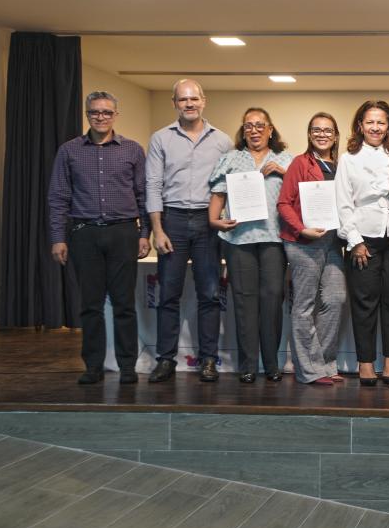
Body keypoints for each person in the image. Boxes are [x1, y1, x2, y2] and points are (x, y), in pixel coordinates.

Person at [48, 91, 151, 384]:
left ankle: (127, 366)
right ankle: (93, 366)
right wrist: (58, 237)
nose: (101, 117)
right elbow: (58, 197)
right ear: (87, 115)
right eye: (95, 112)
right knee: (90, 305)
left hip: (123, 233)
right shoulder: (69, 150)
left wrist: (145, 233)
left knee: (124, 303)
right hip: (84, 234)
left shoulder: (132, 150)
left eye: (107, 112)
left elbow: (143, 195)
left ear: (115, 115)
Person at [145, 79, 232, 383]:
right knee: (168, 294)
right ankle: (166, 359)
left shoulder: (222, 141)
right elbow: (153, 185)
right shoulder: (160, 139)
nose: (189, 104)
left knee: (209, 294)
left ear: (204, 101)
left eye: (194, 98)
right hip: (174, 222)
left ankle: (208, 359)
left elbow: (229, 187)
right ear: (175, 104)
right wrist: (157, 229)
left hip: (209, 223)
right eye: (183, 100)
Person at [208, 108, 292, 383]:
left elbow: (299, 194)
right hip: (239, 240)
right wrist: (214, 220)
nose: (254, 130)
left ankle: (271, 364)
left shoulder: (285, 159)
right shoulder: (230, 159)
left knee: (272, 300)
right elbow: (218, 196)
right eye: (248, 126)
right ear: (243, 131)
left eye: (260, 126)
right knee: (244, 303)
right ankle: (247, 365)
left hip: (273, 240)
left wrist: (282, 171)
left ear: (270, 130)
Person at [277, 112, 348, 386]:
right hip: (302, 243)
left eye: (328, 130)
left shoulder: (341, 165)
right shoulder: (300, 163)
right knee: (304, 306)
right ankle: (309, 369)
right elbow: (284, 203)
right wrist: (300, 229)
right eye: (316, 130)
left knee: (336, 298)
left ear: (335, 135)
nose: (322, 134)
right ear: (309, 134)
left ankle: (326, 363)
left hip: (332, 243)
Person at [336, 100, 389, 386]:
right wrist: (355, 241)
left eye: (381, 122)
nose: (376, 127)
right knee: (365, 305)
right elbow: (343, 204)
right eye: (370, 122)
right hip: (364, 240)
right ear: (360, 126)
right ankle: (365, 363)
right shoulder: (348, 159)